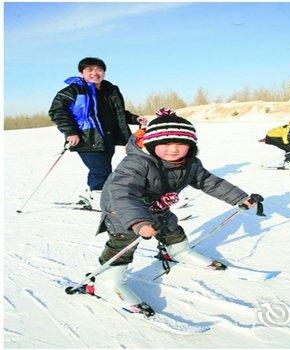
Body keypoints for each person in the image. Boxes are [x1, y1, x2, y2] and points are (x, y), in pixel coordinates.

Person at [87, 108, 257, 317]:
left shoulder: (190, 164)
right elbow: (123, 192)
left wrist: (240, 197)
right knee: (124, 241)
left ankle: (177, 251)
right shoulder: (137, 162)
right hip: (121, 208)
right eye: (165, 143)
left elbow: (209, 182)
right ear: (152, 144)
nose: (173, 150)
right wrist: (138, 222)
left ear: (191, 145)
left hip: (157, 204)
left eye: (181, 143)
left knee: (170, 227)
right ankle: (107, 282)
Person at [49, 57, 147, 209]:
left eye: (99, 70)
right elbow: (57, 112)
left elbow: (118, 112)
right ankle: (98, 199)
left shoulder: (111, 90)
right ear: (82, 73)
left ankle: (91, 193)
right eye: (90, 70)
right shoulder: (73, 91)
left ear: (104, 72)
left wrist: (134, 119)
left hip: (108, 137)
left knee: (102, 168)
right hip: (86, 138)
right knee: (101, 170)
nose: (95, 73)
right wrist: (70, 132)